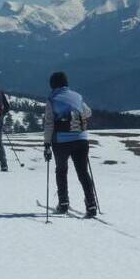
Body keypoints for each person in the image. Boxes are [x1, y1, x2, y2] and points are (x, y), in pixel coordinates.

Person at [43, 71, 97, 218]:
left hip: (61, 140)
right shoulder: (77, 96)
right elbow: (88, 113)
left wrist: (47, 144)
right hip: (81, 138)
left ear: (53, 84)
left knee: (61, 170)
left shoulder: (52, 99)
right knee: (83, 172)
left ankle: (63, 202)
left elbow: (49, 123)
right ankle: (91, 204)